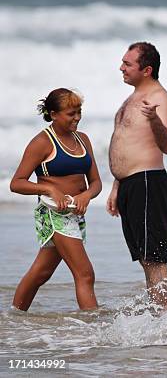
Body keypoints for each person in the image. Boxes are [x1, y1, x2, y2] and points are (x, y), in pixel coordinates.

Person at [10, 88, 101, 311]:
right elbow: (17, 183)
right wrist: (49, 190)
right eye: (71, 113)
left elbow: (96, 182)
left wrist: (85, 196)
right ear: (53, 114)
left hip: (75, 214)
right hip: (53, 214)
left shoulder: (83, 139)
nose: (77, 118)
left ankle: (13, 318)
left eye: (79, 112)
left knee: (41, 272)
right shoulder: (42, 142)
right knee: (85, 273)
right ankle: (95, 330)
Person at [106, 42, 167, 308]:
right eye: (122, 62)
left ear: (146, 70)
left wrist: (155, 120)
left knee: (155, 257)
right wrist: (116, 185)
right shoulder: (131, 97)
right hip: (129, 183)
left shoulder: (159, 97)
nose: (121, 67)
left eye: (127, 64)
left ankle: (166, 316)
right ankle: (158, 315)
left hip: (148, 181)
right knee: (144, 258)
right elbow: (126, 142)